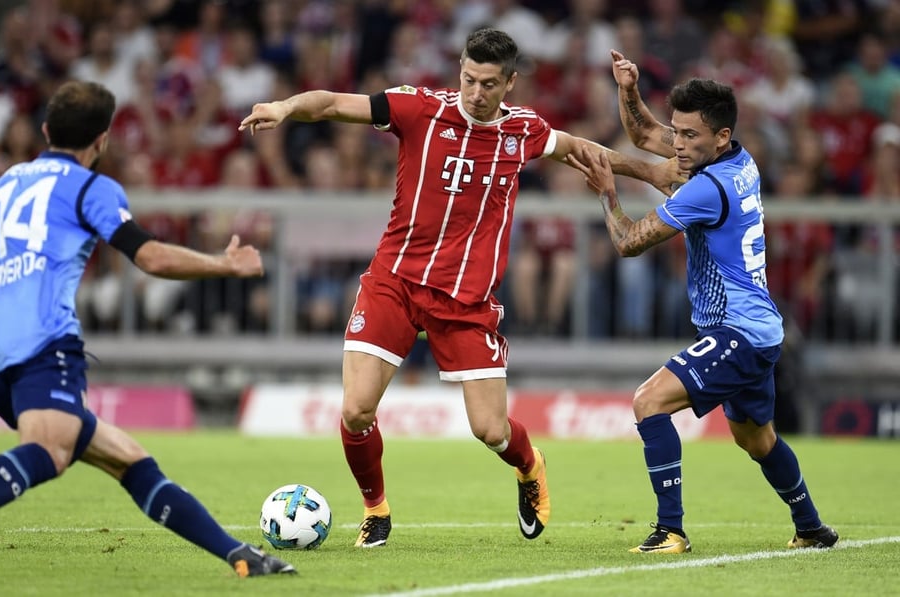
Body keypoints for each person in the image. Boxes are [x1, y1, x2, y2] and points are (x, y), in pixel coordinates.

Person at [238, 28, 682, 548]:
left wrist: (651, 171)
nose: (475, 92)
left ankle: (530, 464)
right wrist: (286, 107)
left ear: (509, 83)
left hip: (466, 301)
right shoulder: (417, 108)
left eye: (489, 84)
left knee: (490, 430)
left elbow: (581, 150)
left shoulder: (522, 131)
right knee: (357, 409)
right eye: (469, 78)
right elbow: (335, 103)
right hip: (395, 283)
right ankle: (376, 510)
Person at [0, 81, 295, 580]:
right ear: (102, 141)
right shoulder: (90, 188)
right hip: (45, 347)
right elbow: (150, 256)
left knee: (131, 461)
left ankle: (241, 558)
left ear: (45, 131)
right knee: (49, 452)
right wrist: (224, 264)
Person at [569, 49, 838, 554]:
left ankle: (670, 530)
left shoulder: (707, 189)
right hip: (759, 328)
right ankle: (811, 527)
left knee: (648, 403)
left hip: (737, 331)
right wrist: (628, 90)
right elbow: (650, 142)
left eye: (689, 136)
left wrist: (608, 191)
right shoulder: (739, 162)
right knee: (757, 441)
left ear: (718, 136)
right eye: (678, 131)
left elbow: (628, 242)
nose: (678, 143)